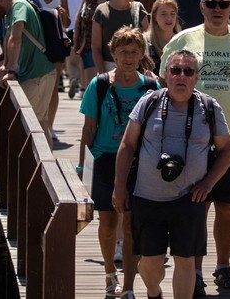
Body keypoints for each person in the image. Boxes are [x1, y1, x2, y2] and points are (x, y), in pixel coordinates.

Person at [159, 0, 230, 295]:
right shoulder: (182, 40)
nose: (217, 10)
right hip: (192, 142)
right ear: (201, 6)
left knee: (228, 207)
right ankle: (195, 270)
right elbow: (166, 86)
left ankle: (223, 266)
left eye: (223, 4)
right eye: (211, 4)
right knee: (195, 207)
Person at [113, 50, 230, 299]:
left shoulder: (209, 107)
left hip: (189, 198)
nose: (181, 76)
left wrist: (208, 183)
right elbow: (126, 145)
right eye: (176, 71)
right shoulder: (149, 103)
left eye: (188, 72)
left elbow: (227, 151)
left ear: (195, 77)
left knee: (186, 260)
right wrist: (119, 187)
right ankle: (153, 292)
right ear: (165, 75)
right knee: (149, 263)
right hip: (148, 197)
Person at [78, 27, 156, 299]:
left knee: (131, 225)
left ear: (141, 54)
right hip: (104, 158)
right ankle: (110, 274)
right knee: (108, 222)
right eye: (123, 52)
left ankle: (131, 285)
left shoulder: (150, 86)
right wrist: (82, 168)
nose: (129, 57)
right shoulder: (99, 85)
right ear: (113, 53)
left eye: (134, 52)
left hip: (138, 160)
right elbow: (88, 129)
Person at [0, 0, 59, 148]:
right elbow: (9, 38)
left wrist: (10, 71)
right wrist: (5, 63)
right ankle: (44, 170)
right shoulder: (15, 7)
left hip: (37, 75)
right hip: (45, 72)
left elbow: (16, 37)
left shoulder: (19, 6)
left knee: (25, 125)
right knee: (41, 123)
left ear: (0, 0)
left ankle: (35, 171)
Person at [31, 0, 70, 142]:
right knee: (37, 84)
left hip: (55, 43)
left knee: (54, 87)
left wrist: (62, 16)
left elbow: (68, 22)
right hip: (37, 44)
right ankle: (39, 120)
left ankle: (50, 125)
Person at [93, 0, 150, 72]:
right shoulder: (102, 10)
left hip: (136, 70)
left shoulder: (138, 8)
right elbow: (96, 48)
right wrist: (102, 75)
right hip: (109, 69)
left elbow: (148, 42)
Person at [73, 0, 117, 89]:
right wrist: (76, 39)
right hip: (88, 41)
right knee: (91, 84)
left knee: (109, 82)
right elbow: (80, 14)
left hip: (110, 42)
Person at [65, 0, 91, 98]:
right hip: (83, 29)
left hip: (69, 28)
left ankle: (73, 79)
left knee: (71, 60)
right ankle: (83, 86)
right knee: (82, 60)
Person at [144, 0, 180, 71]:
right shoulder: (145, 41)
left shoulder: (182, 40)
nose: (169, 18)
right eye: (163, 14)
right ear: (154, 16)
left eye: (172, 14)